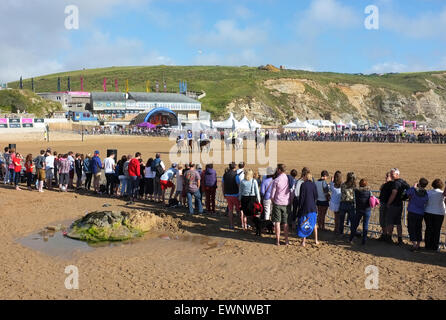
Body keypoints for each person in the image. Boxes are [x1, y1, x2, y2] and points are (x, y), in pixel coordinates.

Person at [385, 168, 410, 245]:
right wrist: (403, 198)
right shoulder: (404, 182)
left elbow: (394, 193)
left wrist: (388, 203)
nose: (391, 176)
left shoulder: (396, 183)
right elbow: (409, 190)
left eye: (392, 174)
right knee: (398, 223)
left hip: (393, 205)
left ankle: (389, 238)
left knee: (390, 222)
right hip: (400, 204)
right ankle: (400, 239)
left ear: (397, 174)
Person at [406, 178, 429, 251]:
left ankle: (414, 244)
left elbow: (407, 193)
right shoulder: (426, 193)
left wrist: (413, 186)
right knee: (418, 228)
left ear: (419, 183)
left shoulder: (413, 190)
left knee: (411, 228)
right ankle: (418, 244)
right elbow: (426, 201)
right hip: (420, 213)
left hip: (412, 211)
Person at [270, 164, 291, 246]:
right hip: (286, 203)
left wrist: (273, 201)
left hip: (277, 202)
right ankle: (286, 240)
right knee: (285, 222)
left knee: (277, 222)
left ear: (279, 170)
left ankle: (277, 241)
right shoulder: (287, 178)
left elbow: (272, 195)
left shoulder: (276, 180)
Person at [297, 172, 319, 247]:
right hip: (312, 207)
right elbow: (316, 196)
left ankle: (303, 242)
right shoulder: (314, 185)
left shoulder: (303, 185)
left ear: (305, 177)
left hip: (305, 207)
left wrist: (300, 206)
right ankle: (316, 240)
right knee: (314, 223)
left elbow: (302, 197)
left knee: (304, 222)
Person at [424, 179, 446, 251]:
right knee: (436, 230)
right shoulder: (442, 193)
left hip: (428, 212)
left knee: (428, 229)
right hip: (439, 213)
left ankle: (427, 245)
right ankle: (434, 246)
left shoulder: (428, 192)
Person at [350, 179, 372, 245]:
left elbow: (354, 189)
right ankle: (364, 240)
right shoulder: (369, 192)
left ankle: (351, 238)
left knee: (355, 224)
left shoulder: (357, 191)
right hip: (367, 210)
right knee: (365, 225)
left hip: (359, 210)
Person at [222, 162, 241, 229]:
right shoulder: (236, 175)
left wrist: (224, 193)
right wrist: (240, 195)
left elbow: (223, 185)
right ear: (235, 167)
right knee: (238, 210)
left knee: (230, 210)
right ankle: (240, 224)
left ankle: (231, 225)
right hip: (235, 195)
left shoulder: (224, 175)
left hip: (227, 194)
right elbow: (239, 186)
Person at [378, 172, 393, 241]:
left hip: (388, 205)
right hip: (383, 203)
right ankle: (384, 234)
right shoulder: (384, 184)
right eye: (386, 176)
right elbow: (380, 189)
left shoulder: (393, 185)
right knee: (382, 220)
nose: (386, 178)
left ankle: (388, 236)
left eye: (388, 176)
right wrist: (384, 183)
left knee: (387, 220)